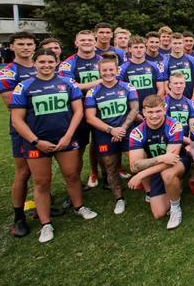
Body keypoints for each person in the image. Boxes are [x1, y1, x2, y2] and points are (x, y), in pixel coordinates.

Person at [10, 49, 98, 243]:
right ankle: (45, 223)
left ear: (56, 63)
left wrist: (68, 136)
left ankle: (79, 207)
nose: (47, 65)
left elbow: (77, 111)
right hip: (37, 142)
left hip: (65, 139)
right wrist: (36, 141)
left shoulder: (67, 83)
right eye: (42, 61)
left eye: (50, 61)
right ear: (35, 63)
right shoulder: (24, 87)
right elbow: (17, 119)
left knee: (72, 175)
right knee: (42, 182)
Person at [0, 31, 38, 237]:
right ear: (11, 46)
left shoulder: (42, 66)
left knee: (42, 173)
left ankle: (41, 207)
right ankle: (18, 217)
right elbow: (12, 104)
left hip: (48, 127)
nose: (26, 47)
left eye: (29, 44)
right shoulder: (8, 73)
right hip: (23, 129)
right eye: (21, 44)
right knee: (23, 172)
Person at [127, 95, 191, 229]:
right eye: (150, 112)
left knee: (168, 174)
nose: (154, 115)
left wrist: (141, 175)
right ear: (143, 112)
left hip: (179, 162)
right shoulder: (137, 132)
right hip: (157, 165)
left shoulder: (174, 125)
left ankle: (175, 208)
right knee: (159, 213)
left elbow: (171, 161)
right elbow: (134, 166)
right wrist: (160, 158)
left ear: (164, 110)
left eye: (158, 111)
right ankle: (173, 187)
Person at [85, 58, 139, 215]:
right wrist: (111, 130)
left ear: (116, 71)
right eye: (104, 70)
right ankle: (119, 199)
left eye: (111, 70)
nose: (108, 73)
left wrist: (122, 128)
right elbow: (90, 117)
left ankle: (149, 190)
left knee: (136, 162)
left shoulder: (127, 86)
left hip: (126, 130)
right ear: (99, 72)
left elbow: (134, 109)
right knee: (110, 166)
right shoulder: (92, 92)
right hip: (104, 134)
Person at [59, 30, 104, 190]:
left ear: (95, 41)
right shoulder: (68, 63)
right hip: (78, 112)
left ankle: (102, 175)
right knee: (79, 148)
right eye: (82, 40)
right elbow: (70, 86)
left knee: (102, 144)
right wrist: (99, 81)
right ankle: (75, 184)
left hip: (101, 109)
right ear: (76, 43)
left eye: (90, 40)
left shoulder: (102, 60)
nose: (86, 42)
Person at [164, 73, 194, 196]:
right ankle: (176, 178)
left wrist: (193, 140)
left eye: (181, 83)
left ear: (185, 85)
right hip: (169, 140)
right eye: (175, 83)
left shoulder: (189, 103)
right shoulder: (164, 102)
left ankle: (193, 180)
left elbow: (193, 124)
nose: (178, 86)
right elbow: (166, 128)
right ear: (169, 85)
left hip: (185, 139)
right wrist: (187, 141)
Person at [118, 36, 166, 109]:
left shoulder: (155, 66)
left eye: (141, 47)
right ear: (130, 49)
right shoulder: (122, 68)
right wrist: (133, 111)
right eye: (136, 47)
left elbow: (161, 88)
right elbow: (120, 92)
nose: (139, 50)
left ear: (145, 49)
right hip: (133, 110)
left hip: (152, 108)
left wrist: (154, 105)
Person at [164, 32, 194, 101]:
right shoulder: (165, 62)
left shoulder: (192, 60)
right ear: (170, 44)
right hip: (173, 101)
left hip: (191, 99)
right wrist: (173, 100)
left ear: (183, 44)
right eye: (175, 43)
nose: (177, 46)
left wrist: (193, 99)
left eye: (180, 43)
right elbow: (165, 85)